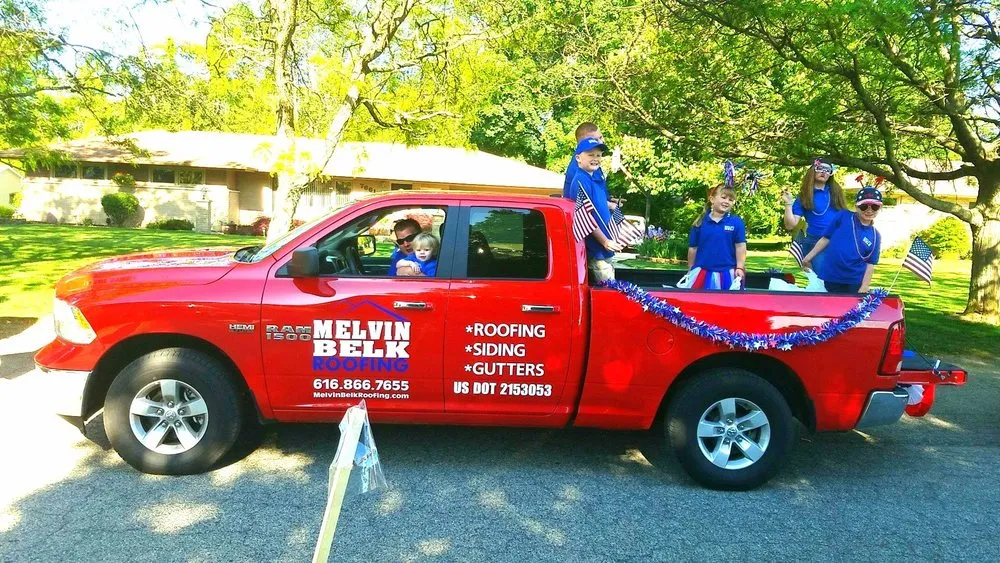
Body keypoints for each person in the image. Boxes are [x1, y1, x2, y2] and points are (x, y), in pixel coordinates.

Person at [801, 186, 883, 293]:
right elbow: (826, 238)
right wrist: (808, 258)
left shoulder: (875, 236)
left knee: (851, 304)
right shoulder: (843, 216)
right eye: (864, 206)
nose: (869, 210)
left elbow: (870, 263)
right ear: (857, 206)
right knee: (829, 303)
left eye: (874, 207)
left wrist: (864, 286)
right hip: (832, 277)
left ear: (880, 208)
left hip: (854, 281)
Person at [781, 158, 848, 273]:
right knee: (822, 278)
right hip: (815, 242)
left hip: (837, 242)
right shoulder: (804, 196)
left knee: (840, 278)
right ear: (813, 170)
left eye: (828, 170)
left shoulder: (836, 193)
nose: (824, 172)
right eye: (820, 168)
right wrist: (788, 204)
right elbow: (790, 225)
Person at [570, 137, 622, 282]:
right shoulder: (580, 180)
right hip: (597, 250)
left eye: (598, 155)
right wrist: (605, 241)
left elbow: (597, 205)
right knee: (607, 289)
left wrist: (610, 205)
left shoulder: (594, 179)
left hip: (604, 250)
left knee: (610, 284)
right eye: (590, 155)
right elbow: (586, 217)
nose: (595, 158)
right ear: (578, 158)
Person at [685, 183, 747, 290]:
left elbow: (740, 246)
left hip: (727, 273)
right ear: (712, 199)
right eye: (723, 197)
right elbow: (693, 248)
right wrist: (691, 268)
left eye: (731, 200)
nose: (727, 201)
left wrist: (740, 267)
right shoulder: (700, 223)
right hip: (702, 273)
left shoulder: (736, 223)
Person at [563, 122, 605, 200]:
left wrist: (609, 199)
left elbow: (598, 190)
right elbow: (585, 200)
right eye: (595, 140)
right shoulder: (581, 168)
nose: (601, 142)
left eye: (601, 137)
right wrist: (609, 204)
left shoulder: (592, 163)